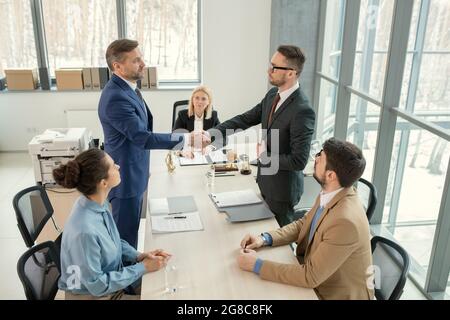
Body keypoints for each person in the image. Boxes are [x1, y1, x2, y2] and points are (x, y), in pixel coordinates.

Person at [98, 39, 209, 248]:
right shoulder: (116, 98)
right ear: (117, 67)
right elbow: (143, 137)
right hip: (125, 179)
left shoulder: (129, 89)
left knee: (132, 233)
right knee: (125, 240)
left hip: (136, 171)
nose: (143, 64)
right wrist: (187, 139)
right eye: (136, 60)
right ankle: (129, 280)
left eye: (142, 58)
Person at [237, 138, 374, 300]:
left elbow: (310, 276)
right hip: (316, 276)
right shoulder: (333, 192)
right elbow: (304, 224)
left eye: (320, 157)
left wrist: (257, 265)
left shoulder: (346, 222)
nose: (314, 159)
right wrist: (264, 238)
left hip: (331, 293)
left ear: (330, 175)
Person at [212, 45, 315, 227]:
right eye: (271, 64)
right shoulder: (272, 94)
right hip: (265, 182)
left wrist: (264, 157)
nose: (269, 70)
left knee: (279, 246)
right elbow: (246, 118)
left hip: (282, 192)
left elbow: (299, 161)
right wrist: (212, 133)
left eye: (275, 67)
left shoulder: (302, 110)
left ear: (291, 73)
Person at [53, 148, 171, 300]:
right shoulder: (85, 231)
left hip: (110, 284)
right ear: (103, 182)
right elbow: (97, 285)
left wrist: (139, 256)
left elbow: (113, 241)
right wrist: (143, 267)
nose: (119, 167)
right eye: (114, 165)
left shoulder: (95, 202)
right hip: (95, 295)